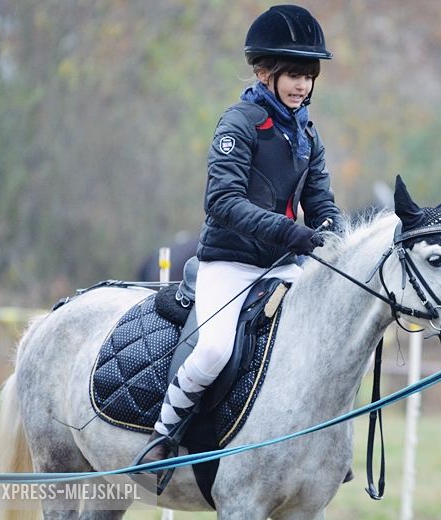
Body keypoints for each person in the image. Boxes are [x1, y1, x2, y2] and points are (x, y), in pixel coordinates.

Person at [140, 4, 342, 466]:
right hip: (229, 263)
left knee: (322, 344)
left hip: (287, 266)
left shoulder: (308, 132)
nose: (302, 86)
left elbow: (322, 201)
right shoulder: (239, 123)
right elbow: (223, 202)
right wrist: (295, 233)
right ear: (262, 71)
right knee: (213, 350)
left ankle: (319, 449)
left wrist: (331, 229)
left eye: (308, 75)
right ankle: (164, 434)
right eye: (293, 74)